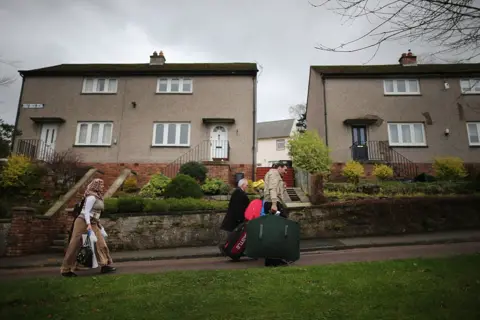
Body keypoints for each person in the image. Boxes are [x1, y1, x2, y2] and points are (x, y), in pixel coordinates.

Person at [60, 178, 116, 277]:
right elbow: (86, 211)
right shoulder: (91, 197)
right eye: (101, 185)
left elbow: (96, 213)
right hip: (82, 222)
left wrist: (98, 225)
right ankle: (66, 270)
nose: (103, 187)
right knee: (75, 244)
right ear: (96, 186)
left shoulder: (98, 197)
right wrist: (88, 224)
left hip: (93, 222)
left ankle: (104, 265)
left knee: (100, 243)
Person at [262, 162, 289, 267]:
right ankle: (275, 260)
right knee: (277, 232)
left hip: (273, 203)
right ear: (279, 168)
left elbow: (275, 189)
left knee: (272, 232)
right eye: (285, 169)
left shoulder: (273, 175)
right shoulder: (274, 174)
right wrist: (274, 204)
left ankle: (271, 260)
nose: (286, 172)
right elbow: (272, 189)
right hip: (274, 204)